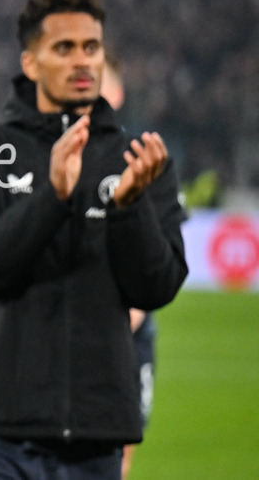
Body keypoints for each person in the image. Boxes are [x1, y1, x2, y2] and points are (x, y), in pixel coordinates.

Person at [0, 0, 188, 479]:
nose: (82, 61)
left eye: (91, 48)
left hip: (94, 435)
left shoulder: (137, 160)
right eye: (64, 48)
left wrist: (129, 208)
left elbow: (156, 286)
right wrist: (52, 197)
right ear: (30, 64)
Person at [99, 53, 159, 480]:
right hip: (74, 333)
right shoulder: (51, 159)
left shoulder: (141, 162)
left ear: (117, 94)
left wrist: (128, 318)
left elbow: (157, 256)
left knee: (121, 448)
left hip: (128, 339)